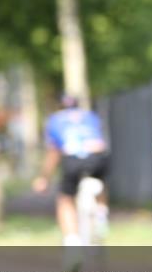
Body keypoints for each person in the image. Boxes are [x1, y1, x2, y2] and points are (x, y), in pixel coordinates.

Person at [32, 95, 110, 248]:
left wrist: (44, 178)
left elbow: (53, 152)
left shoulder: (55, 120)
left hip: (72, 160)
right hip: (98, 157)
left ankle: (72, 239)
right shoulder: (90, 116)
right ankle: (102, 214)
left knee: (65, 199)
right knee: (100, 183)